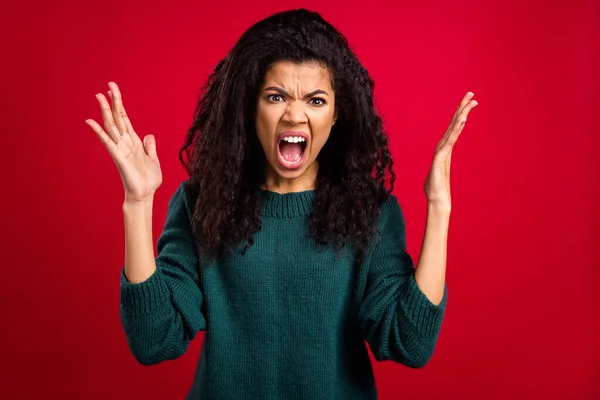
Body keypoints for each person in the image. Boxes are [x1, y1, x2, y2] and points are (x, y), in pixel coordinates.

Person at [85, 8, 478, 400]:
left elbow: (410, 343)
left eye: (316, 100)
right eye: (276, 97)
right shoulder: (200, 205)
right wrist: (137, 204)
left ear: (337, 113)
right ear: (250, 106)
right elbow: (154, 340)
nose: (294, 114)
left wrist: (438, 206)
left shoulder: (371, 212)